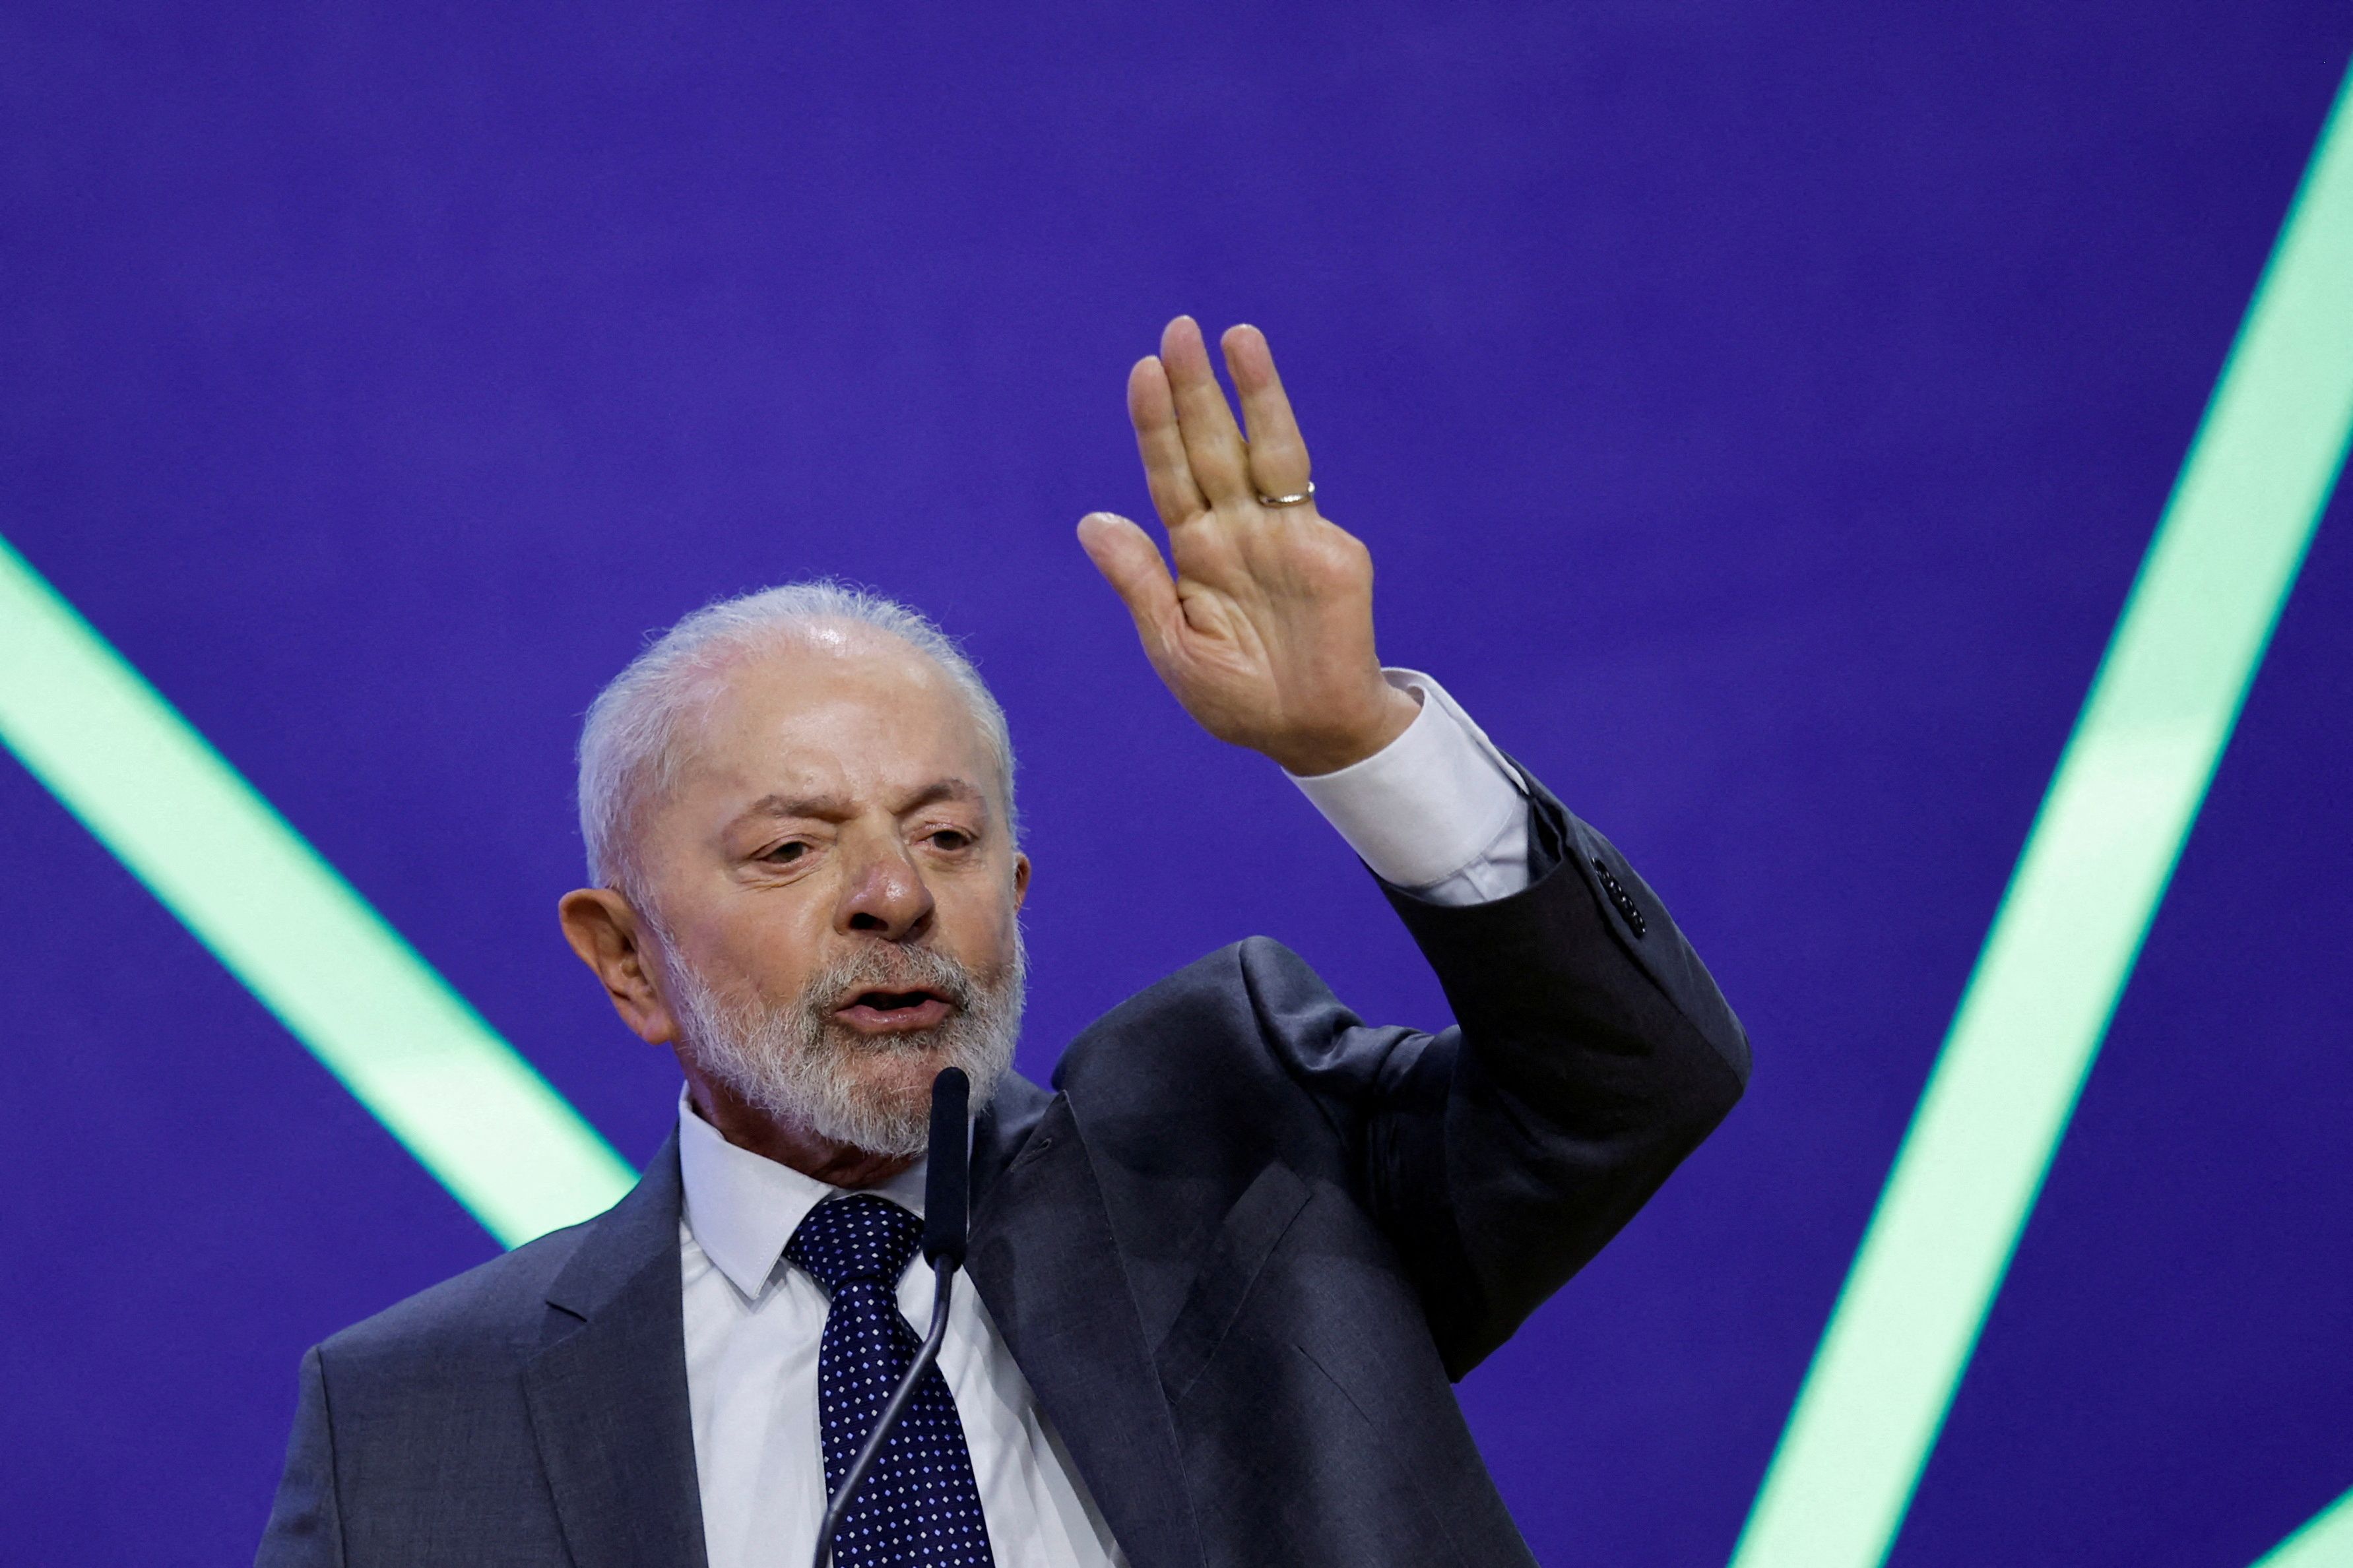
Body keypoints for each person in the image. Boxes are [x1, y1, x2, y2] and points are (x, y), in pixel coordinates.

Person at [256, 317, 1749, 1568]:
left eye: (948, 836)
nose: (894, 895)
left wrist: (1354, 739)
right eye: (790, 848)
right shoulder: (410, 1424)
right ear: (626, 960)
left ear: (1018, 890)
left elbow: (1631, 1079)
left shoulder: (1245, 1166)